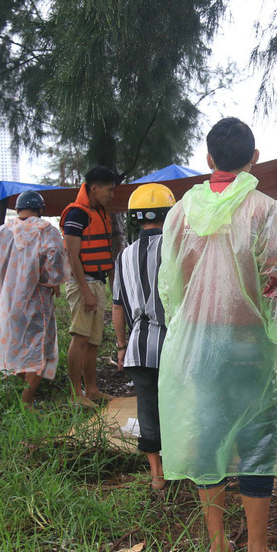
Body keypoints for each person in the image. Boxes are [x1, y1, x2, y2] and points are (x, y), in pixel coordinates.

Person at [157, 117, 277, 552]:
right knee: (256, 443)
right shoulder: (262, 209)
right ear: (255, 158)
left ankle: (216, 547)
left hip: (196, 344)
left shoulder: (181, 212)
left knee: (207, 437)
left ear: (208, 159)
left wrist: (187, 333)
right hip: (249, 345)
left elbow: (171, 284)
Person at [0, 190, 70, 408]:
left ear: (17, 209)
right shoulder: (46, 231)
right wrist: (50, 281)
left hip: (7, 305)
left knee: (17, 352)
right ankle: (26, 402)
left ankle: (24, 398)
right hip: (36, 303)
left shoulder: (1, 232)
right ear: (40, 210)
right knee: (39, 351)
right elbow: (55, 258)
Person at [112, 182, 174, 491]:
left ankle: (156, 476)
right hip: (177, 345)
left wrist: (121, 347)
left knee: (147, 407)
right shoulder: (179, 248)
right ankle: (182, 468)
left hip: (139, 347)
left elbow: (118, 307)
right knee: (179, 405)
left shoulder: (123, 257)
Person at [60, 165, 118, 407]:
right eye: (109, 190)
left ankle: (92, 389)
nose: (111, 195)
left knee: (94, 340)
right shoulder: (77, 214)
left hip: (97, 282)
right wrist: (85, 291)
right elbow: (73, 256)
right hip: (82, 284)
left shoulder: (99, 212)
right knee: (80, 337)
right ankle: (76, 394)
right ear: (95, 188)